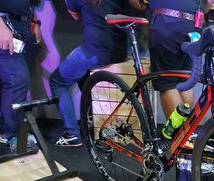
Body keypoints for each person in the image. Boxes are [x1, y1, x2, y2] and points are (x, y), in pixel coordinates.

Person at [49, 0, 146, 147]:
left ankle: (71, 134)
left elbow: (76, 16)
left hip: (94, 51)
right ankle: (91, 122)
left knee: (57, 82)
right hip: (119, 50)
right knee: (83, 75)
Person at [147, 0, 214, 120]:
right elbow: (208, 3)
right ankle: (186, 134)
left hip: (168, 23)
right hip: (194, 26)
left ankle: (178, 136)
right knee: (183, 80)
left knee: (167, 83)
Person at [0, 1, 36, 150]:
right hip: (1, 22)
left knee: (11, 80)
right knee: (17, 79)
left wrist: (34, 22)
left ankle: (8, 131)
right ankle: (11, 134)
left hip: (21, 23)